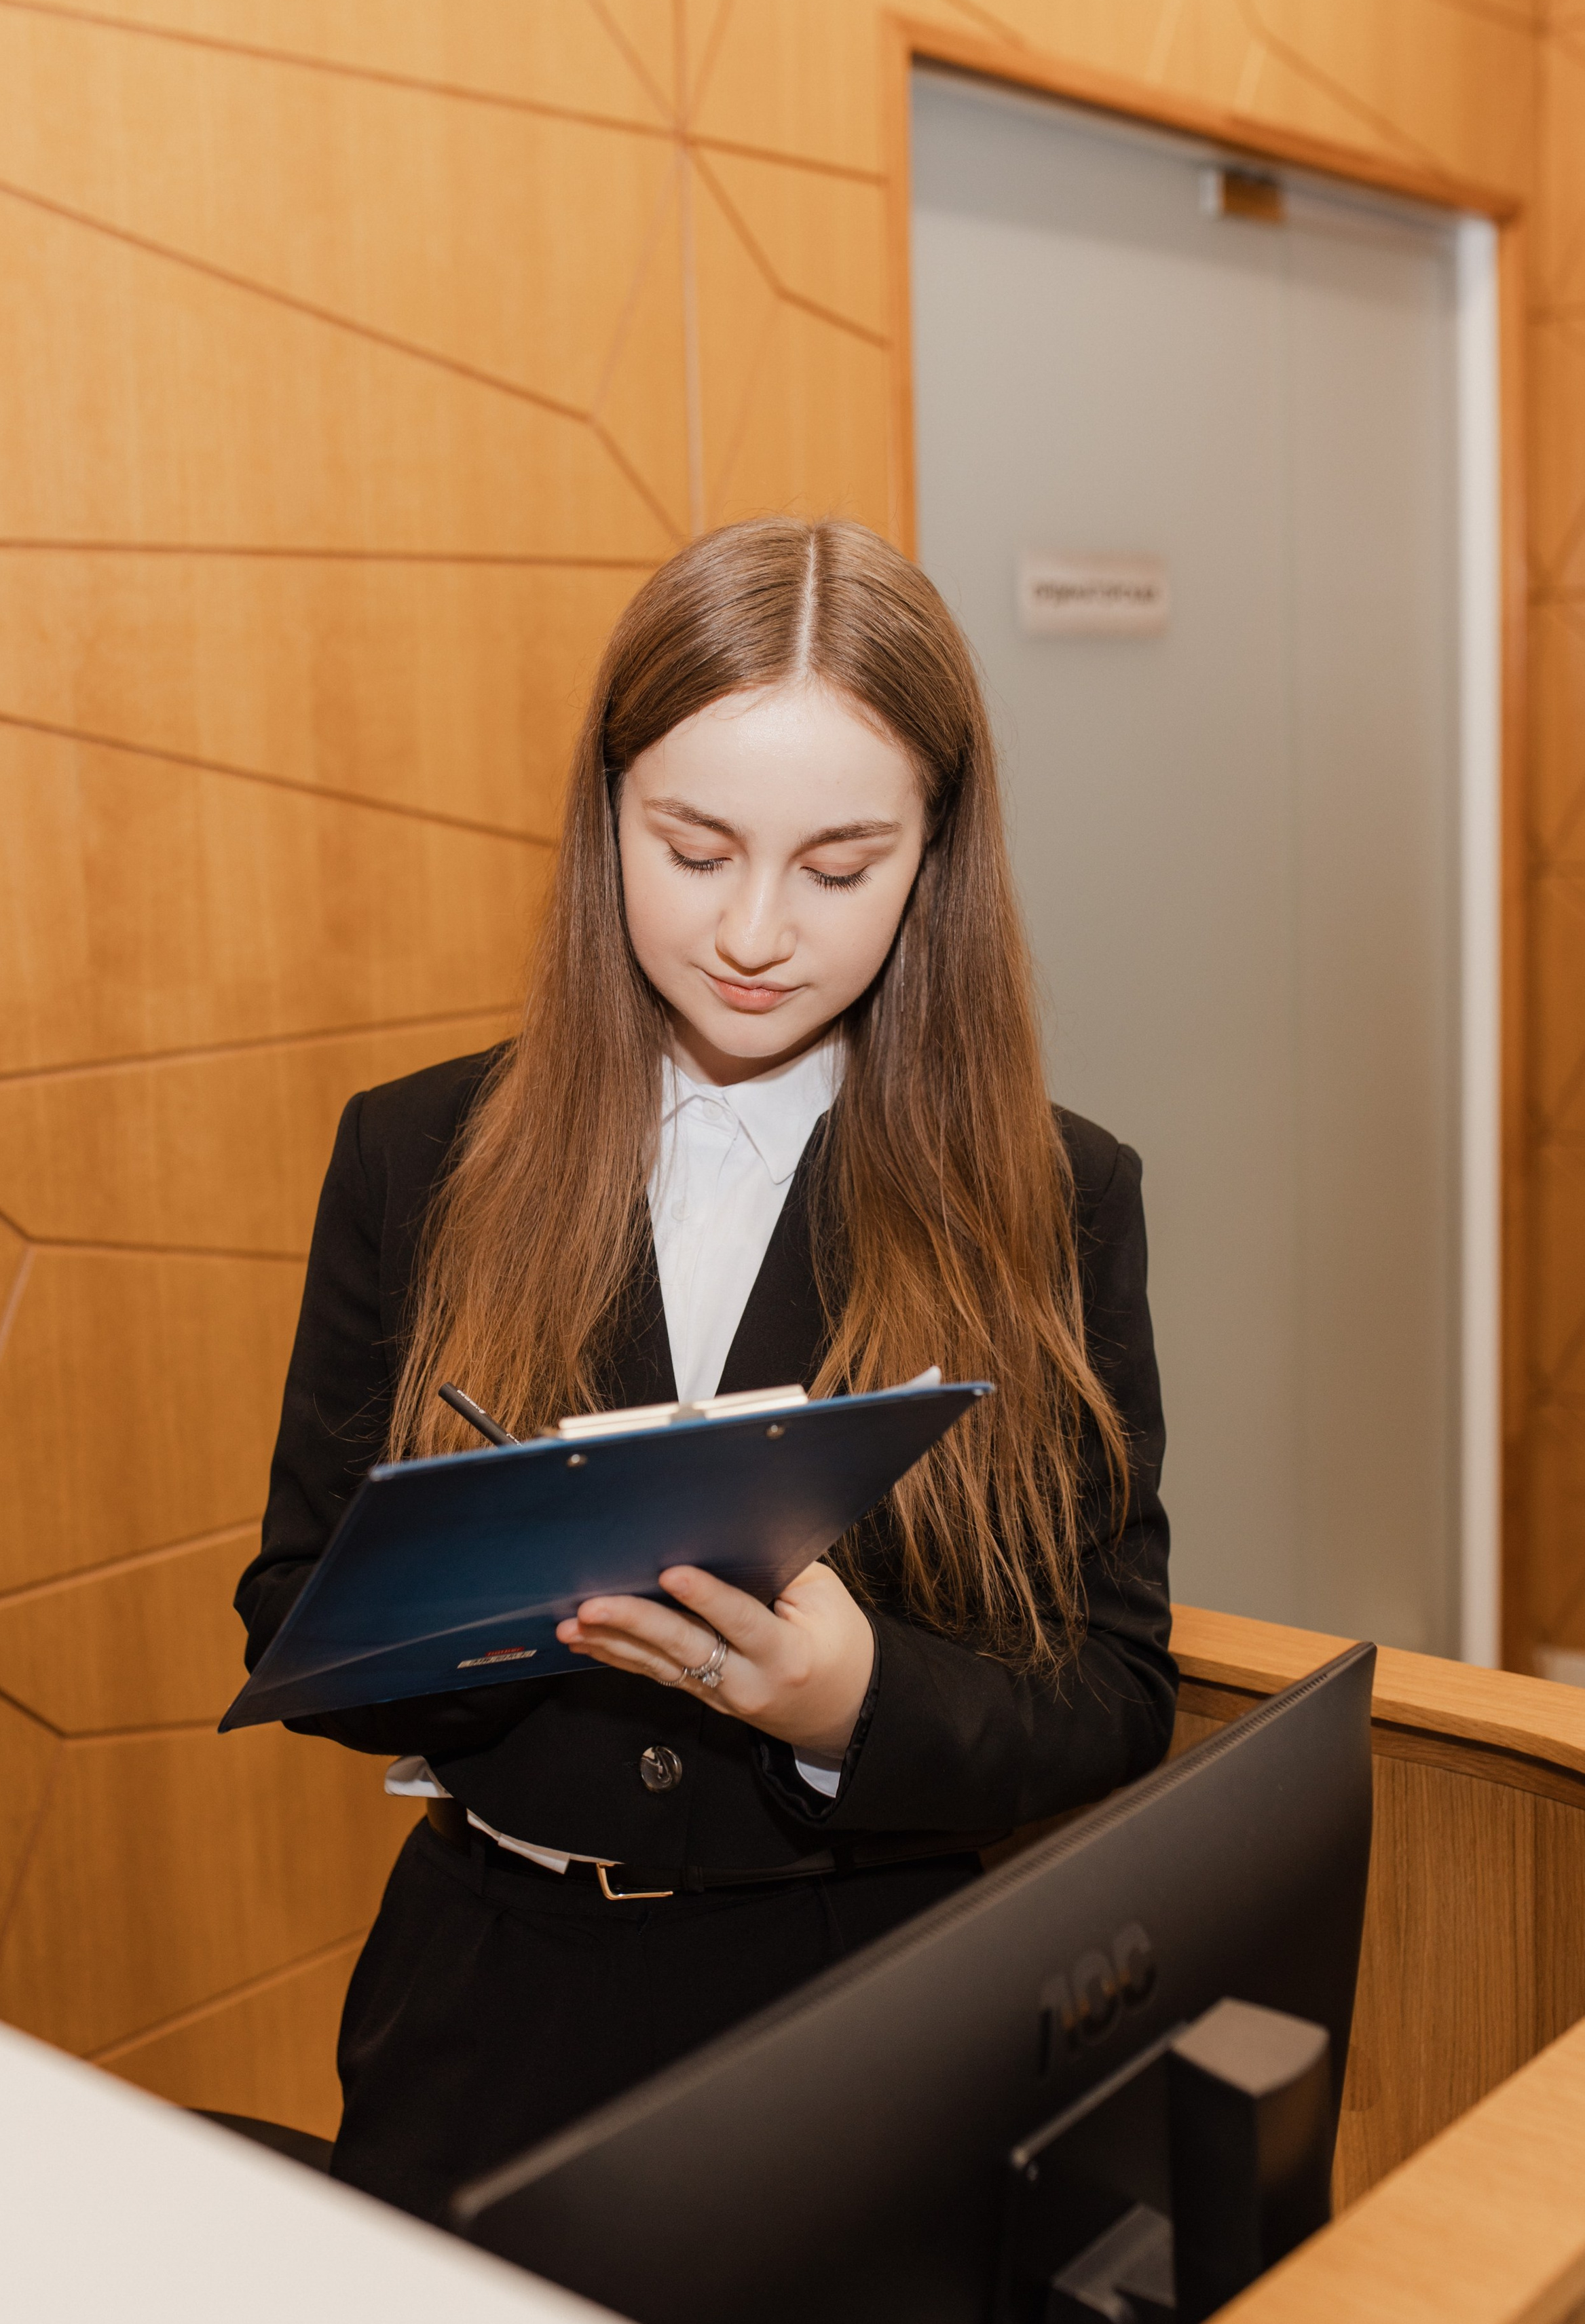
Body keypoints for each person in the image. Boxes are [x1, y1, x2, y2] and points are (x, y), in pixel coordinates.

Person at [235, 516, 1176, 2224]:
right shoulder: (415, 1153)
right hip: (487, 2008)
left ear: (930, 860)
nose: (754, 931)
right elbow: (293, 1616)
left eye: (837, 868)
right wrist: (485, 1599)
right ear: (606, 816)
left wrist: (850, 1705)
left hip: (871, 2019)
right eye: (691, 847)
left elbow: (1110, 1696)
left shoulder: (1055, 1197)